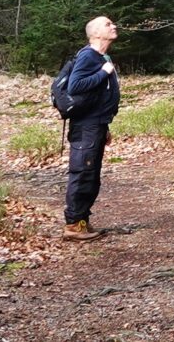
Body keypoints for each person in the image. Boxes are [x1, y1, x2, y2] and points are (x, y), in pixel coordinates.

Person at [58, 15, 122, 239]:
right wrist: (103, 72)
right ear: (95, 33)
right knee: (83, 173)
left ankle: (82, 221)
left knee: (91, 174)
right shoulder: (89, 56)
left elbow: (99, 96)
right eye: (108, 24)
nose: (113, 26)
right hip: (86, 127)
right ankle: (73, 225)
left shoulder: (100, 56)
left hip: (95, 124)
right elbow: (76, 86)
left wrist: (105, 125)